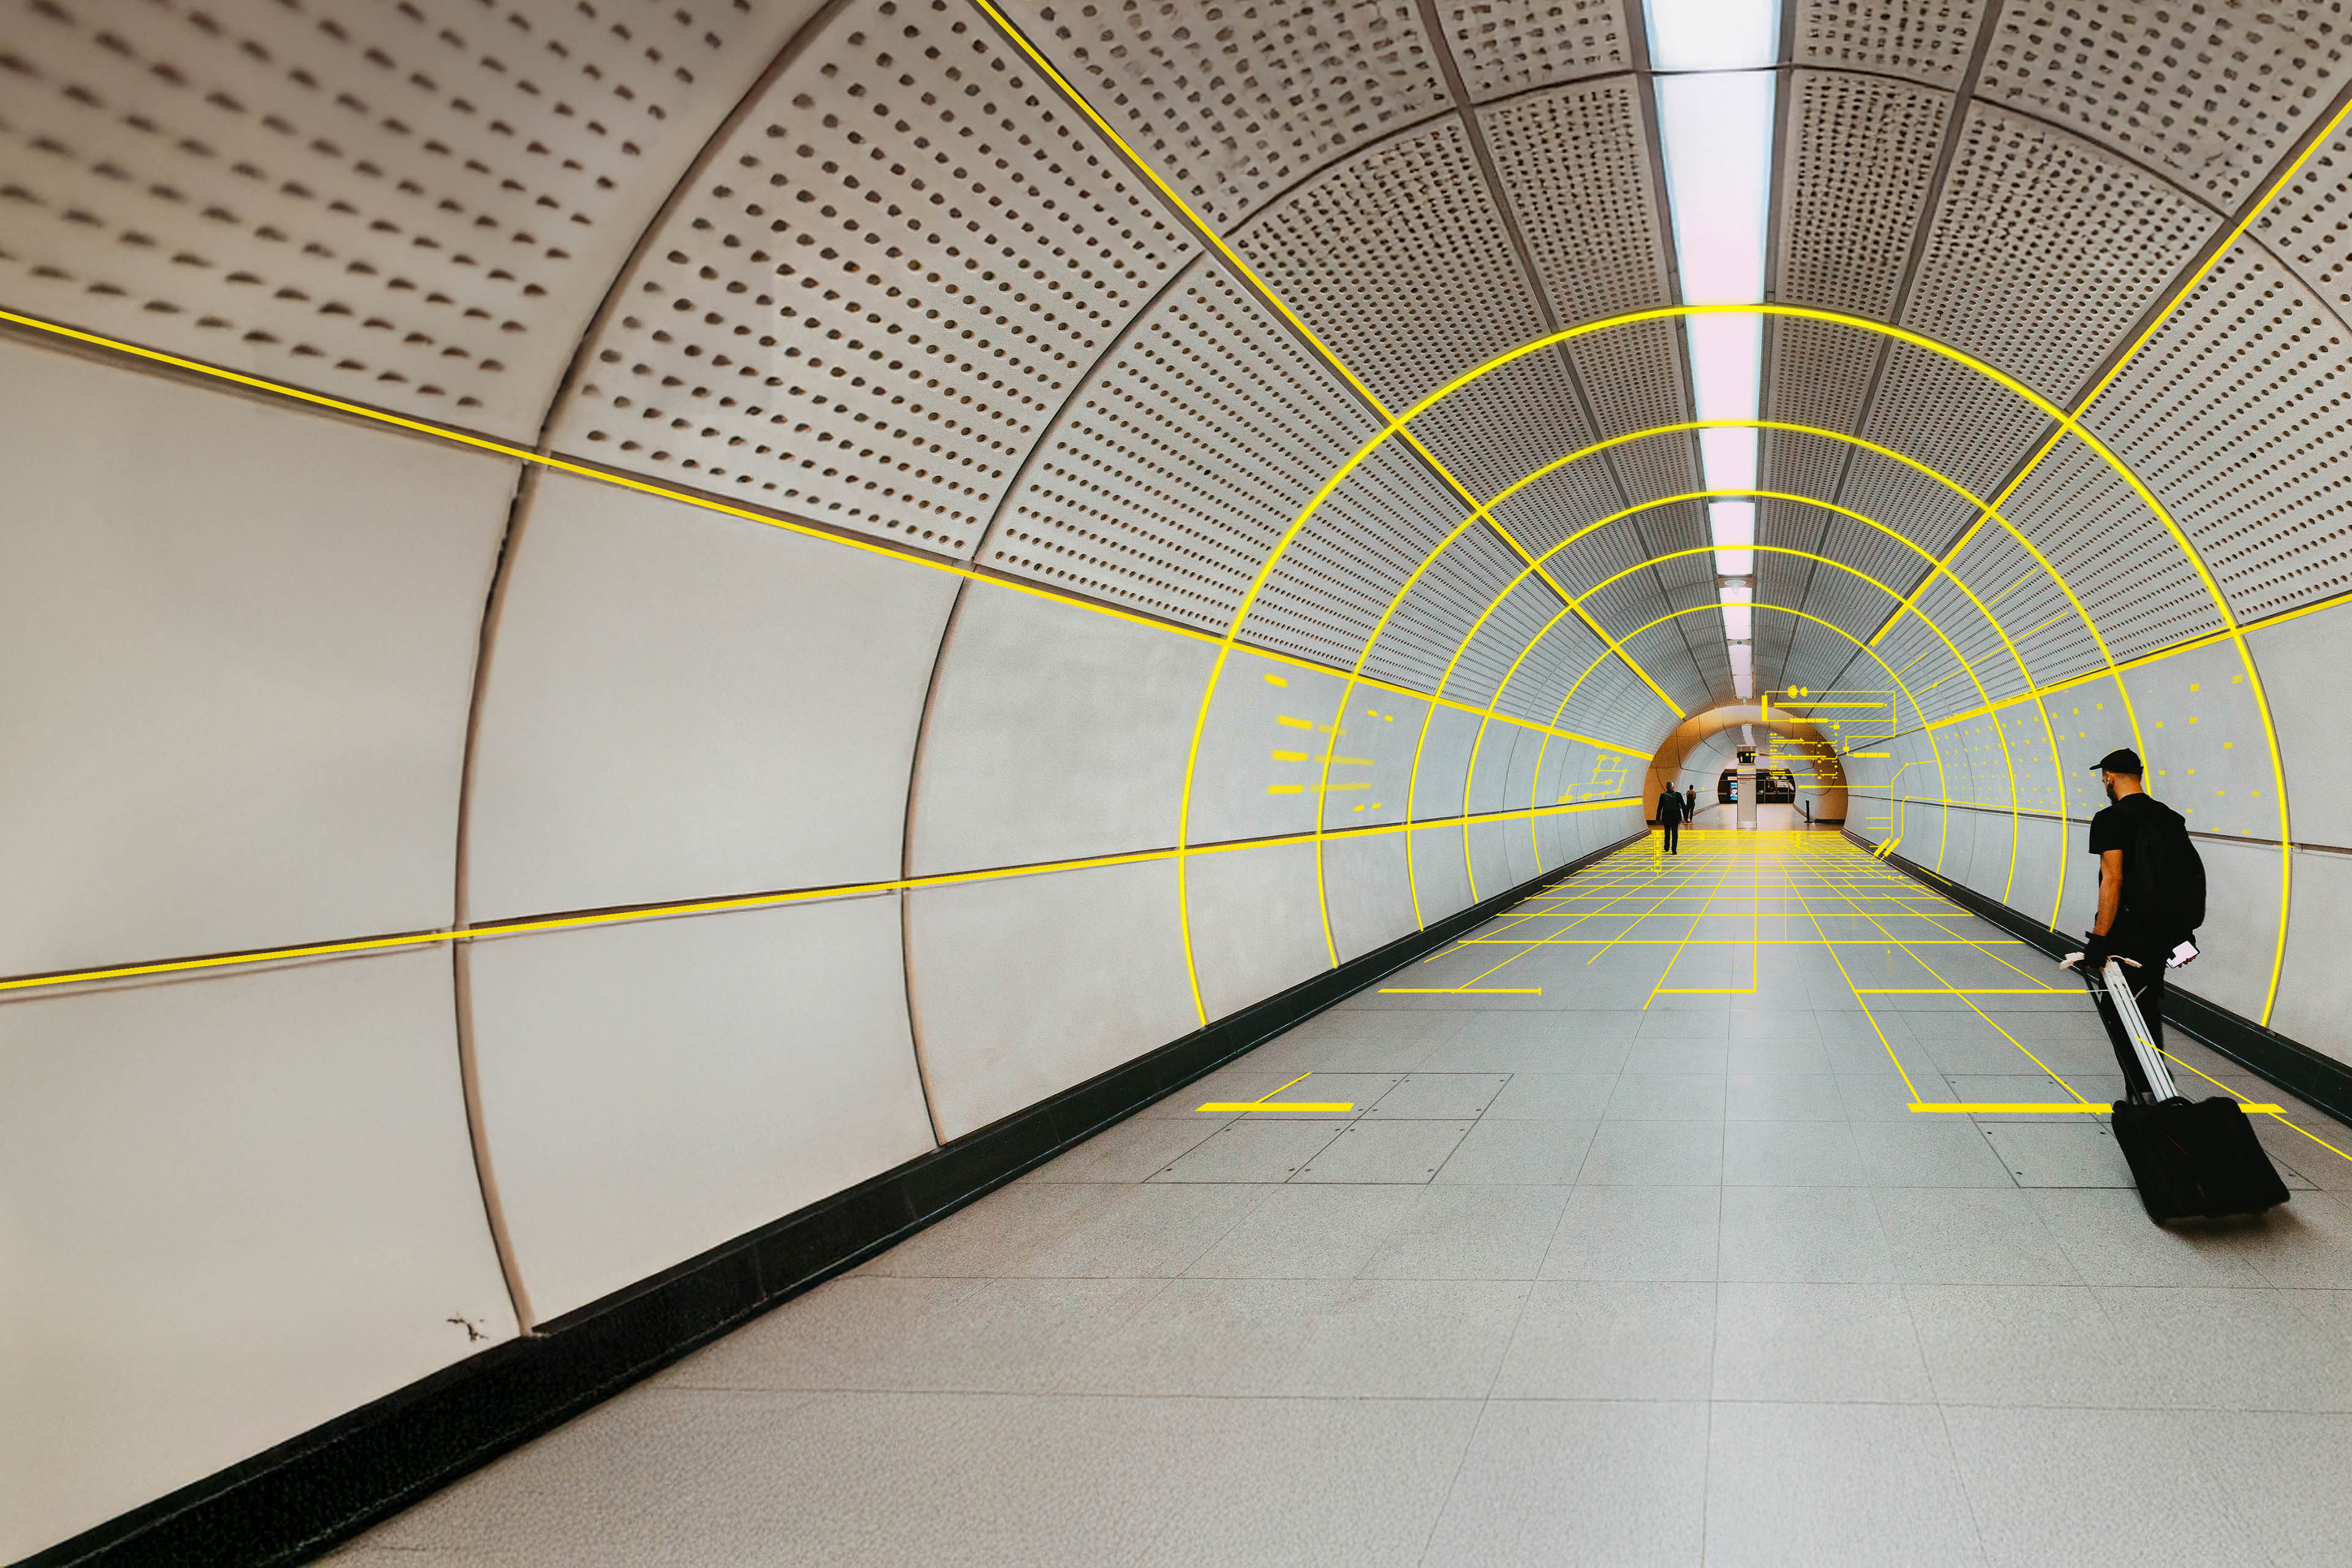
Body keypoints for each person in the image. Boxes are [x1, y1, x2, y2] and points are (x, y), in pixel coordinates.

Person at [2082, 747, 2204, 1094]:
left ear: (2109, 777)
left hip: (2127, 938)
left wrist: (2100, 939)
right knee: (2145, 1007)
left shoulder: (2110, 819)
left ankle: (2147, 1094)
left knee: (2121, 1015)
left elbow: (2113, 880)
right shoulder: (2169, 817)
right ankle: (2152, 1088)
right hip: (2164, 934)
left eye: (2103, 778)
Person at [1655, 778, 1687, 854]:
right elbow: (1683, 806)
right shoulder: (1678, 795)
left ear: (1666, 787)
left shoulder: (1663, 796)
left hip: (1666, 817)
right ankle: (1674, 850)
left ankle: (1666, 848)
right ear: (1673, 787)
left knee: (1667, 832)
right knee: (1675, 833)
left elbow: (1660, 807)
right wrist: (1686, 817)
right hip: (1676, 817)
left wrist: (1658, 819)